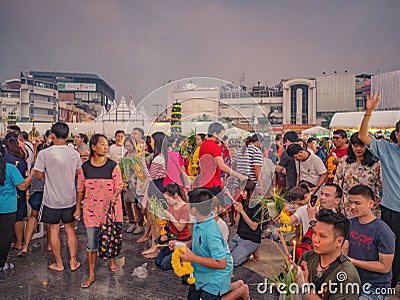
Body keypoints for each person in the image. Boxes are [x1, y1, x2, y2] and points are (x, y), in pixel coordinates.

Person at [358, 92, 400, 288]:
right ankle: (390, 284)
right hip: (392, 210)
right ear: (397, 134)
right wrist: (369, 111)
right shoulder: (388, 149)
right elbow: (363, 136)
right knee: (391, 249)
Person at [177, 188, 250, 300]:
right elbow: (199, 240)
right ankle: (237, 285)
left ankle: (242, 290)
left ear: (194, 210)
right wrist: (182, 244)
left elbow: (221, 263)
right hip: (202, 271)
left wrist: (193, 258)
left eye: (189, 204)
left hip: (216, 274)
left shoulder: (212, 232)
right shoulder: (199, 220)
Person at [75, 134, 123, 288]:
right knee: (91, 243)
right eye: (102, 144)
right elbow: (80, 189)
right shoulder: (85, 168)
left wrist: (114, 195)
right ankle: (91, 274)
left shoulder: (113, 165)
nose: (105, 147)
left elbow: (119, 185)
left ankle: (112, 260)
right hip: (90, 210)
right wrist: (77, 208)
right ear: (93, 147)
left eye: (106, 144)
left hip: (109, 209)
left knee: (109, 237)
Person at [33, 122, 82, 271]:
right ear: (68, 136)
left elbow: (39, 175)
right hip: (70, 198)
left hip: (51, 200)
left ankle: (59, 263)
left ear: (52, 135)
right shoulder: (74, 153)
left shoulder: (44, 153)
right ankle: (73, 262)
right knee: (70, 229)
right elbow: (79, 175)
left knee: (53, 229)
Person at [342, 185, 395, 300]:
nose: (352, 207)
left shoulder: (384, 232)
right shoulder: (350, 224)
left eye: (357, 203)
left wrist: (354, 262)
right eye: (350, 202)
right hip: (351, 280)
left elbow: (385, 267)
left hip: (376, 287)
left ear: (371, 204)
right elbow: (343, 251)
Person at [297, 209, 361, 299]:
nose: (315, 239)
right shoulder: (308, 256)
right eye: (314, 233)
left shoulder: (347, 276)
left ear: (339, 241)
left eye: (322, 236)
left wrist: (306, 286)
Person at [0, 142, 34, 271]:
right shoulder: (10, 168)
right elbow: (22, 186)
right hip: (7, 207)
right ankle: (2, 263)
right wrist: (31, 176)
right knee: (6, 235)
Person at [333, 132, 382, 218]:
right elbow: (337, 182)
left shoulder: (376, 163)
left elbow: (380, 185)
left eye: (362, 146)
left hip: (369, 207)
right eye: (355, 146)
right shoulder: (344, 161)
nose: (358, 149)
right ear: (351, 146)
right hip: (348, 206)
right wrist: (336, 201)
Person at [197, 122, 247, 198]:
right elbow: (222, 166)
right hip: (212, 185)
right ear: (215, 134)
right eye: (221, 134)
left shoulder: (203, 145)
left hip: (204, 183)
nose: (222, 137)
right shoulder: (214, 146)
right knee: (218, 208)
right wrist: (240, 176)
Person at [155, 183, 191, 270]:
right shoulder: (170, 205)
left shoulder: (185, 207)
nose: (167, 202)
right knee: (158, 261)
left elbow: (180, 228)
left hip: (182, 240)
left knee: (164, 265)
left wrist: (170, 216)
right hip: (172, 238)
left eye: (168, 199)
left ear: (175, 195)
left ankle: (184, 258)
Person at [228, 179, 262, 267]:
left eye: (244, 191)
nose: (241, 194)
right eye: (241, 191)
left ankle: (251, 250)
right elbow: (237, 223)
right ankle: (250, 250)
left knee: (232, 261)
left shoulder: (256, 205)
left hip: (250, 238)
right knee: (223, 256)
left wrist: (242, 211)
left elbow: (254, 227)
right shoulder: (243, 202)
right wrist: (238, 211)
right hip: (239, 236)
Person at [4, 132, 28, 251]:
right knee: (19, 217)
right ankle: (19, 242)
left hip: (7, 193)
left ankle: (7, 243)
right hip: (20, 190)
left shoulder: (5, 161)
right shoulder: (21, 160)